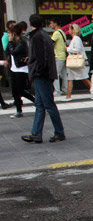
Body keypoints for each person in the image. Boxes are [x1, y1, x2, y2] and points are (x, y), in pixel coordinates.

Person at [21, 14, 66, 143]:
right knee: (40, 104)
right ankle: (36, 133)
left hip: (42, 75)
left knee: (47, 104)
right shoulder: (44, 35)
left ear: (31, 24)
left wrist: (35, 70)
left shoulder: (37, 37)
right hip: (45, 74)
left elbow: (41, 58)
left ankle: (59, 132)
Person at [4, 23, 35, 118]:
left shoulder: (21, 42)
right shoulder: (13, 42)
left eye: (9, 34)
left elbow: (13, 52)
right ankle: (19, 110)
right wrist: (10, 43)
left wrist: (10, 42)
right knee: (14, 91)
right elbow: (7, 51)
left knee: (21, 90)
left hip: (21, 69)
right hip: (13, 68)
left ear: (14, 34)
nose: (8, 36)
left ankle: (36, 102)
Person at [65, 23, 91, 101]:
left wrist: (67, 49)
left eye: (69, 29)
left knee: (84, 78)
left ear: (73, 30)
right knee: (71, 78)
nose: (68, 31)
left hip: (78, 62)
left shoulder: (76, 39)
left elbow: (78, 50)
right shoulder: (75, 39)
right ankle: (68, 96)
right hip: (75, 63)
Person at [48, 18, 68, 96]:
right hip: (63, 55)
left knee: (55, 74)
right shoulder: (62, 32)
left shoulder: (56, 33)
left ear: (55, 24)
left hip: (58, 55)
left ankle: (57, 91)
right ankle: (65, 89)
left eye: (51, 23)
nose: (50, 25)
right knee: (63, 74)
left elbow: (50, 42)